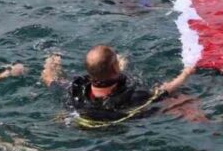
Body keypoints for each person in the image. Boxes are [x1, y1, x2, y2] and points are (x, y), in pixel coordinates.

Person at [41, 46, 195, 126]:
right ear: (115, 68)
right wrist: (186, 73)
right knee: (182, 100)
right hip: (120, 128)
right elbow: (165, 90)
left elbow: (50, 79)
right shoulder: (134, 96)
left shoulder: (75, 90)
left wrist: (52, 59)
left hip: (81, 124)